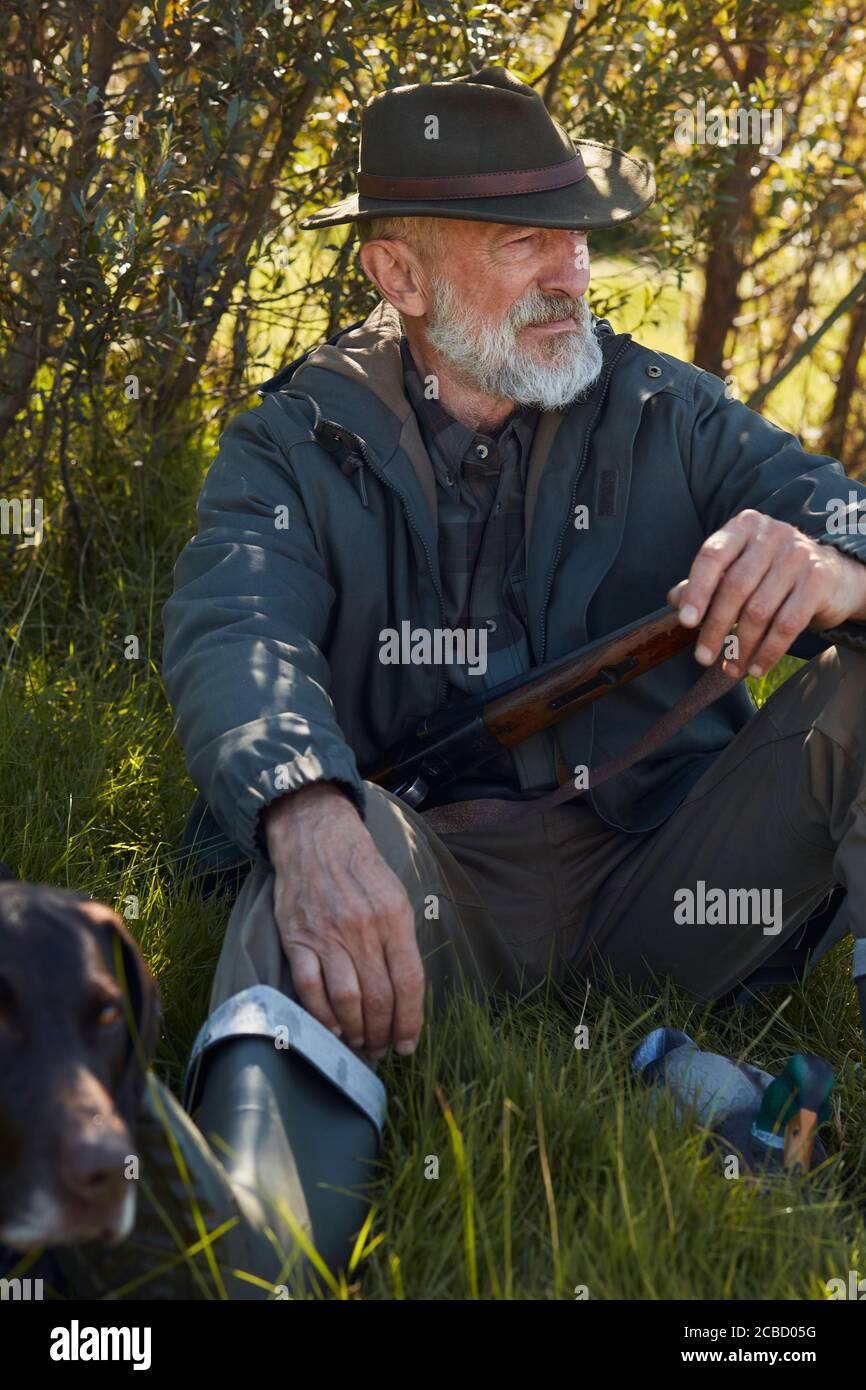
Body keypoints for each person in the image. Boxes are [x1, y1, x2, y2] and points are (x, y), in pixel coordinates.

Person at [160, 66, 866, 1290]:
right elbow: (236, 630)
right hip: (431, 894)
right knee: (316, 863)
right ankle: (251, 1260)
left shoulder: (665, 407)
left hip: (669, 872)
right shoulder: (292, 440)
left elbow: (841, 507)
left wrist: (828, 563)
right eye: (520, 239)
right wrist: (305, 811)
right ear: (399, 276)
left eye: (575, 237)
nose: (567, 273)